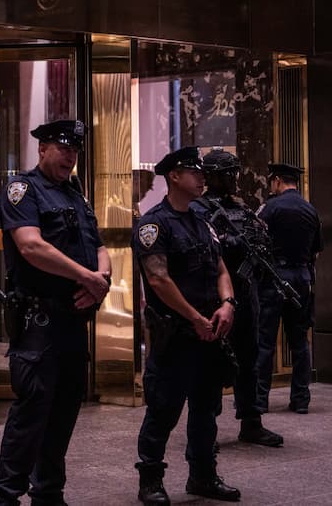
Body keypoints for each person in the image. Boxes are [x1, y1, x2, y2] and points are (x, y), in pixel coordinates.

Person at [0, 119, 111, 506]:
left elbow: (100, 246)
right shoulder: (23, 190)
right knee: (31, 417)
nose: (70, 155)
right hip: (39, 325)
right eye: (62, 147)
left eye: (74, 149)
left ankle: (49, 494)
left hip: (73, 323)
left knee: (64, 415)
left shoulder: (75, 194)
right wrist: (87, 277)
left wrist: (100, 282)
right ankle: (4, 498)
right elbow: (31, 247)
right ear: (42, 149)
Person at [134, 146, 240, 504]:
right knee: (163, 409)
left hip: (210, 333)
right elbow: (159, 279)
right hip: (177, 335)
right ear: (174, 177)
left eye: (202, 172)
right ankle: (150, 479)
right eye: (193, 172)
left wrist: (226, 305)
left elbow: (221, 268)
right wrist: (195, 318)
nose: (201, 178)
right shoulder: (154, 224)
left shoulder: (202, 222)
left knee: (206, 409)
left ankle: (203, 475)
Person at [190, 149, 283, 447]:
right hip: (217, 296)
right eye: (228, 173)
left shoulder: (242, 209)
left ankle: (251, 421)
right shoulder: (198, 209)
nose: (234, 179)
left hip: (247, 292)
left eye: (235, 172)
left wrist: (259, 244)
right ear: (214, 176)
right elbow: (202, 250)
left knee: (250, 358)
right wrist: (232, 244)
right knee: (213, 361)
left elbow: (261, 243)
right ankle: (208, 426)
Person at [255, 162, 323, 414]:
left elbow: (256, 244)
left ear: (276, 181)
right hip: (302, 279)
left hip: (274, 279)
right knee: (300, 342)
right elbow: (316, 251)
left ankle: (260, 400)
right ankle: (301, 399)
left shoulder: (269, 208)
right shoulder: (310, 210)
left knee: (265, 342)